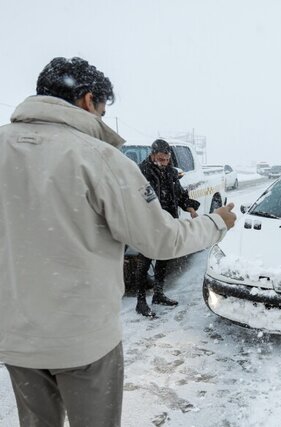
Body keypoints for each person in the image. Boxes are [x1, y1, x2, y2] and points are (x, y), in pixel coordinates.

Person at [0, 57, 237, 427]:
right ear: (87, 99)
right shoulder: (100, 159)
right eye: (102, 110)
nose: (102, 120)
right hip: (83, 339)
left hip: (15, 337)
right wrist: (215, 223)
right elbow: (161, 239)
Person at [131, 138, 200, 317]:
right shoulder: (141, 172)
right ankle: (140, 302)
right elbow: (137, 198)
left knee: (164, 257)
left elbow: (178, 192)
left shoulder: (170, 171)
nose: (163, 163)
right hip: (148, 223)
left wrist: (190, 207)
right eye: (160, 159)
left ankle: (158, 294)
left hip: (168, 221)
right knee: (145, 261)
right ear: (152, 155)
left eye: (166, 160)